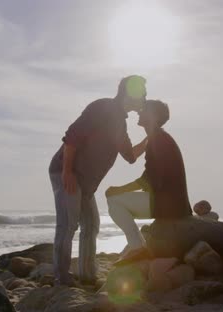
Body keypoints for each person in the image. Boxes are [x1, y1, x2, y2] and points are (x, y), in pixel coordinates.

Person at [48, 75, 148, 286]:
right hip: (68, 173)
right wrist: (67, 171)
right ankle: (62, 277)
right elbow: (72, 136)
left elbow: (129, 156)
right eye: (143, 93)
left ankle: (87, 274)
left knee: (92, 224)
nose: (145, 98)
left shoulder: (120, 123)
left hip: (87, 184)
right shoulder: (102, 107)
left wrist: (150, 139)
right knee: (68, 225)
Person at [106, 100, 192, 261]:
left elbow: (149, 180)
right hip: (171, 203)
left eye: (143, 110)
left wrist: (118, 189)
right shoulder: (157, 137)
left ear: (154, 116)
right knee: (115, 199)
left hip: (167, 204)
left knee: (114, 200)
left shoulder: (158, 139)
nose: (139, 112)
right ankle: (138, 246)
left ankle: (138, 247)